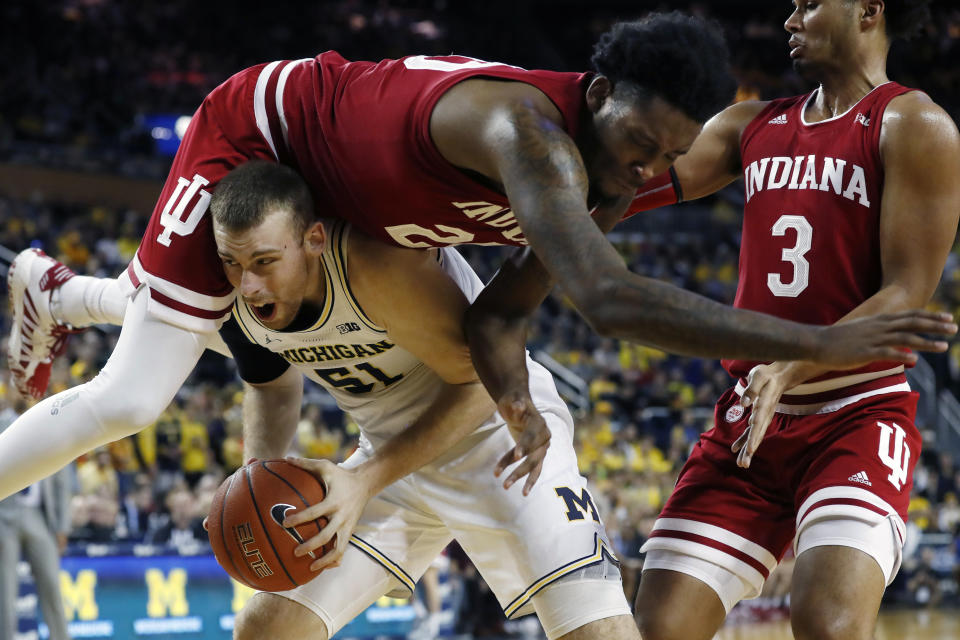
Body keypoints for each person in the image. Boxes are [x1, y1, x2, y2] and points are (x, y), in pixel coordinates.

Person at [1, 11, 953, 503]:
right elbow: (609, 302)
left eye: (670, 154)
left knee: (219, 312)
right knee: (134, 398)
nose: (650, 170)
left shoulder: (620, 158)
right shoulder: (530, 138)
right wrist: (813, 342)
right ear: (599, 89)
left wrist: (509, 400)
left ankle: (54, 287)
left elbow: (500, 314)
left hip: (353, 190)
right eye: (644, 144)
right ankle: (59, 297)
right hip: (264, 134)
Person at [623, 2, 960, 640]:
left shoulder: (914, 123)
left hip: (857, 414)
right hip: (749, 420)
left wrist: (792, 367)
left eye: (807, 3)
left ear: (867, 10)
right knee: (658, 629)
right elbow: (633, 179)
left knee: (827, 625)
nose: (789, 18)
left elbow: (906, 295)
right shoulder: (751, 124)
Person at [210, 161, 638, 640]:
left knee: (596, 630)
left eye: (264, 262)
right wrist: (252, 483)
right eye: (232, 263)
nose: (247, 284)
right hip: (392, 459)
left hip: (499, 439)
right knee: (267, 629)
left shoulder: (376, 264)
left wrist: (366, 480)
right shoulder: (231, 296)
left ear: (312, 239)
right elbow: (271, 384)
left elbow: (483, 383)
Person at [0, 401, 73, 640]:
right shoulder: (1, 423)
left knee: (52, 584)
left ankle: (60, 636)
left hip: (39, 516)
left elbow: (62, 480)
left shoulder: (50, 422)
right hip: (4, 514)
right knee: (4, 590)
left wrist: (62, 526)